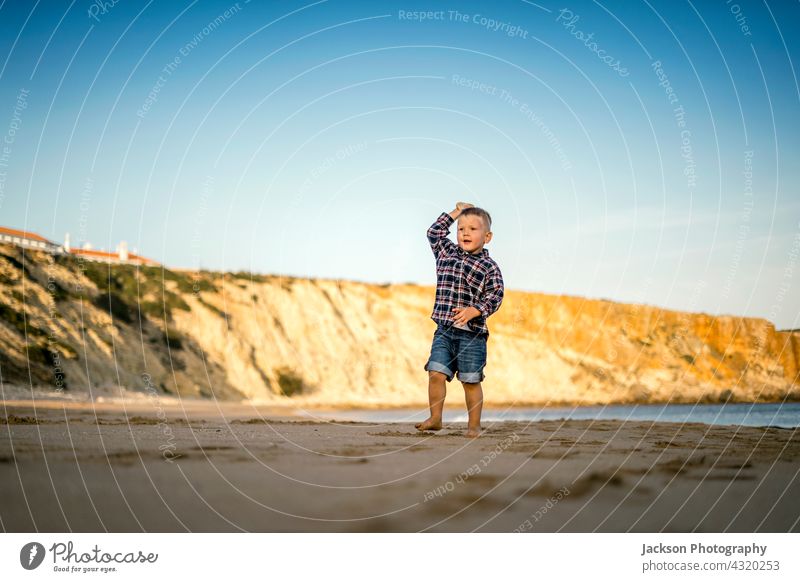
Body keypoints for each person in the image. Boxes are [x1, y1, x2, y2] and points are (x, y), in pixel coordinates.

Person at [415, 202, 504, 438]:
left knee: (471, 381)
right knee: (435, 372)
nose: (465, 232)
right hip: (444, 330)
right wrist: (456, 213)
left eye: (473, 229)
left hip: (472, 335)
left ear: (487, 237)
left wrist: (476, 309)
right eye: (461, 228)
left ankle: (474, 426)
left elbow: (496, 295)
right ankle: (436, 418)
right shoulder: (446, 253)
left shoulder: (489, 267)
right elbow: (434, 232)